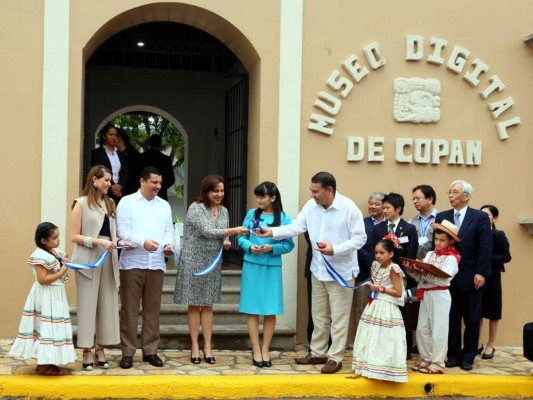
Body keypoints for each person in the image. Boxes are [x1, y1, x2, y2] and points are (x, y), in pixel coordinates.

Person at [254, 172, 366, 374]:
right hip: (318, 269)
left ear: (329, 190)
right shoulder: (310, 206)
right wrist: (271, 232)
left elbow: (360, 239)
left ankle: (335, 357)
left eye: (316, 191)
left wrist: (335, 248)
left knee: (339, 318)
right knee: (319, 315)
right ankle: (318, 352)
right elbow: (296, 226)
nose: (312, 195)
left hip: (340, 272)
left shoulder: (349, 208)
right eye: (311, 190)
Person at [174, 175, 248, 365]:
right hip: (193, 261)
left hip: (213, 261)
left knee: (208, 305)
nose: (219, 194)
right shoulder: (195, 208)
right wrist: (232, 232)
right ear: (206, 191)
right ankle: (194, 346)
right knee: (194, 304)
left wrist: (226, 241)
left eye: (222, 191)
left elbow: (220, 235)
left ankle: (207, 346)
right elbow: (206, 231)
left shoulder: (224, 211)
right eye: (216, 191)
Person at [70, 165, 129, 370]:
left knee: (107, 304)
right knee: (87, 305)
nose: (109, 184)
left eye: (111, 180)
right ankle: (86, 350)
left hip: (109, 257)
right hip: (88, 260)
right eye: (106, 180)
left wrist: (121, 242)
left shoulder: (111, 203)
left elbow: (112, 233)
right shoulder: (81, 203)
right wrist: (97, 242)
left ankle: (100, 349)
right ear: (94, 179)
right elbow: (74, 236)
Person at [116, 166, 175, 369]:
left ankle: (150, 351)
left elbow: (169, 231)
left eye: (160, 183)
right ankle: (127, 352)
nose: (158, 186)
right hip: (132, 263)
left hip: (156, 263)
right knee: (130, 310)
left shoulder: (164, 206)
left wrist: (168, 245)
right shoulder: (127, 202)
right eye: (154, 182)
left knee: (153, 309)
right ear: (142, 181)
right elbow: (122, 231)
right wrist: (143, 242)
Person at [435, 180, 492, 371]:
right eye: (449, 192)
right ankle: (453, 355)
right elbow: (437, 245)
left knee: (472, 320)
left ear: (466, 196)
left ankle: (468, 356)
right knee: (451, 319)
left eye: (455, 192)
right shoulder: (442, 216)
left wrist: (481, 273)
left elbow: (485, 247)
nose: (451, 195)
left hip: (471, 277)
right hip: (447, 277)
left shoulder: (480, 217)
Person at [237, 181, 295, 367]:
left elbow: (288, 245)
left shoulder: (285, 218)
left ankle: (265, 349)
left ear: (273, 198)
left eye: (262, 196)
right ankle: (255, 348)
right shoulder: (251, 214)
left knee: (270, 310)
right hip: (252, 265)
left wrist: (271, 247)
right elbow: (241, 237)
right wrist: (249, 246)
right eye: (258, 196)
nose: (259, 200)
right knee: (252, 309)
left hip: (272, 267)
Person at [10, 222, 76, 375]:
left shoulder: (53, 252)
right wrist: (62, 271)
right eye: (54, 238)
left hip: (55, 294)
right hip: (47, 295)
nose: (58, 240)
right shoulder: (40, 256)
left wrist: (63, 264)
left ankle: (47, 362)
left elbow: (56, 267)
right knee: (45, 327)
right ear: (44, 241)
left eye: (58, 237)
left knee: (51, 327)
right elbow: (42, 279)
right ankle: (43, 365)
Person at [405, 220, 460, 374]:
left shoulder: (452, 258)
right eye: (436, 239)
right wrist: (413, 270)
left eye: (442, 240)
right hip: (426, 294)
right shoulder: (429, 254)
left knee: (439, 329)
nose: (438, 243)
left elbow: (444, 279)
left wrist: (425, 273)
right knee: (423, 328)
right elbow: (420, 279)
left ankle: (438, 361)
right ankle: (426, 358)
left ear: (450, 241)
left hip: (440, 295)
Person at [352, 238, 407, 382]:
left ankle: (385, 367)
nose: (378, 255)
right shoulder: (375, 265)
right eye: (376, 252)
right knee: (371, 334)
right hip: (374, 304)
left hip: (386, 306)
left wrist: (380, 288)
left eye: (382, 252)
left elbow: (398, 292)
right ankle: (369, 365)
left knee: (385, 337)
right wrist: (373, 286)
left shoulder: (393, 269)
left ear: (390, 253)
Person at [371, 192, 418, 359]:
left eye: (387, 208)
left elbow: (410, 256)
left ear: (398, 209)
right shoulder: (378, 229)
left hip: (401, 280)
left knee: (403, 316)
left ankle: (404, 349)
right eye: (383, 207)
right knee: (384, 315)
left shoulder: (409, 229)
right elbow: (374, 255)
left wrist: (404, 278)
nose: (384, 210)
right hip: (383, 278)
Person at [478, 204, 512, 360]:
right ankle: (477, 343)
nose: (484, 218)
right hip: (477, 277)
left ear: (495, 218)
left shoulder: (498, 235)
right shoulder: (476, 234)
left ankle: (490, 344)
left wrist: (487, 260)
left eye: (488, 215)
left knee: (493, 312)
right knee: (476, 312)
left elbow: (506, 256)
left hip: (492, 277)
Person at [355, 192, 385, 332]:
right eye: (370, 203)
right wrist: (374, 265)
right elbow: (357, 246)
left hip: (386, 277)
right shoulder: (362, 223)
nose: (372, 206)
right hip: (365, 274)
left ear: (384, 206)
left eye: (377, 204)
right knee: (363, 308)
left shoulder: (390, 224)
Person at [91, 124, 129, 203]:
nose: (113, 137)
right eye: (111, 134)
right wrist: (114, 188)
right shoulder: (97, 153)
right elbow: (99, 172)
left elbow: (126, 172)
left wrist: (120, 185)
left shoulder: (120, 153)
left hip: (120, 192)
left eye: (115, 135)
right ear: (104, 136)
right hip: (103, 192)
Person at [139, 134, 175, 201]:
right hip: (161, 195)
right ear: (160, 144)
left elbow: (136, 176)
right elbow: (171, 179)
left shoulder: (141, 158)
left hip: (144, 194)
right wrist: (160, 187)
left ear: (149, 143)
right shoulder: (166, 159)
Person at [409, 185, 438, 260]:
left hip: (435, 264)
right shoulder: (411, 222)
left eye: (418, 198)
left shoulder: (440, 218)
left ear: (430, 199)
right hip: (416, 265)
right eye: (413, 199)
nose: (415, 201)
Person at [116, 128, 142, 196]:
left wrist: (123, 190)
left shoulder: (133, 154)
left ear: (119, 138)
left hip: (130, 191)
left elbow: (135, 175)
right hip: (115, 190)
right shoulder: (113, 152)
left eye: (114, 135)